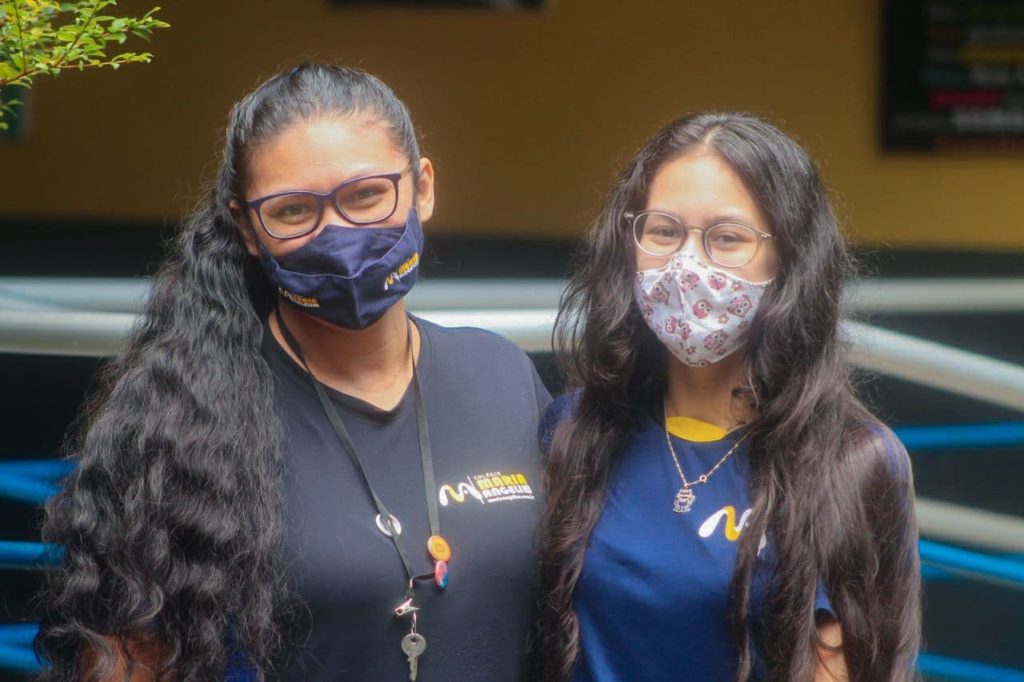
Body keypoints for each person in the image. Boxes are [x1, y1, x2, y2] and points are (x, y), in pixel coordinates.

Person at [37, 63, 551, 681]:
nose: (337, 234)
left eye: (366, 195)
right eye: (293, 211)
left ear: (423, 187)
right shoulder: (181, 423)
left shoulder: (502, 375)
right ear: (249, 228)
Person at [536, 113, 920, 681]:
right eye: (664, 230)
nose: (688, 264)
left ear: (789, 258)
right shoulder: (574, 432)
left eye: (727, 238)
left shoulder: (849, 460)